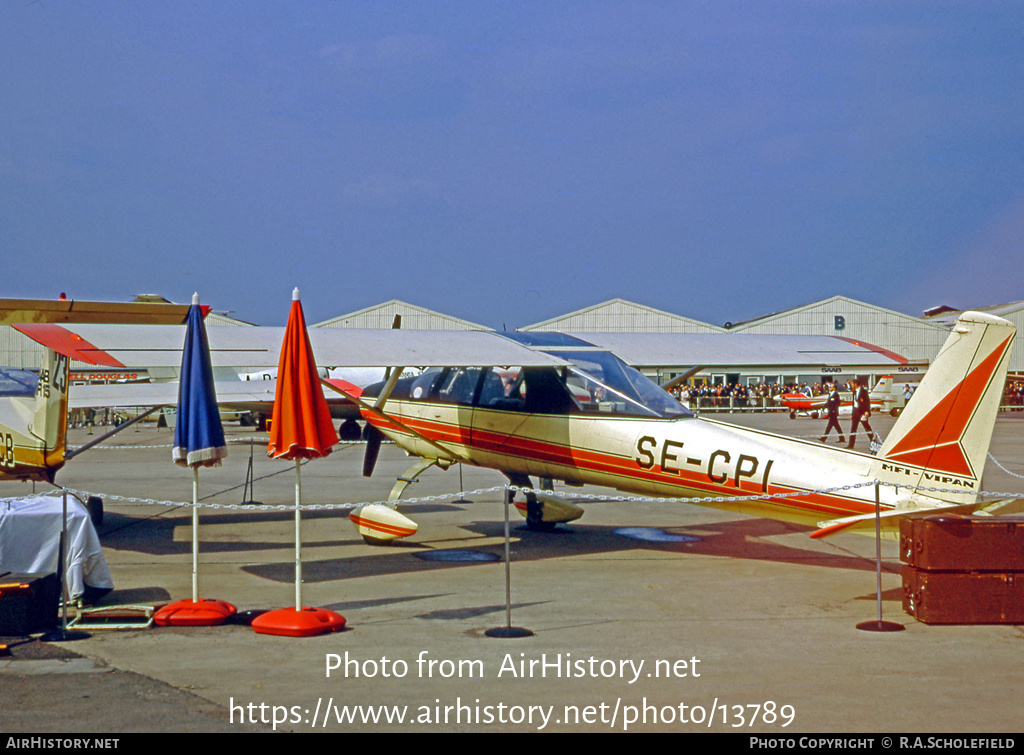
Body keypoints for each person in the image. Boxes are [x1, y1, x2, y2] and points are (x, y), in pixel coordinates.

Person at [847, 379, 876, 450]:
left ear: (856, 384)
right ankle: (851, 445)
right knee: (853, 428)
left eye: (852, 383)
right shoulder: (854, 392)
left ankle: (874, 443)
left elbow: (867, 402)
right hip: (856, 412)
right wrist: (852, 413)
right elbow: (854, 403)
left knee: (867, 427)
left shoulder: (864, 391)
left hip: (862, 411)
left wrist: (867, 411)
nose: (851, 384)